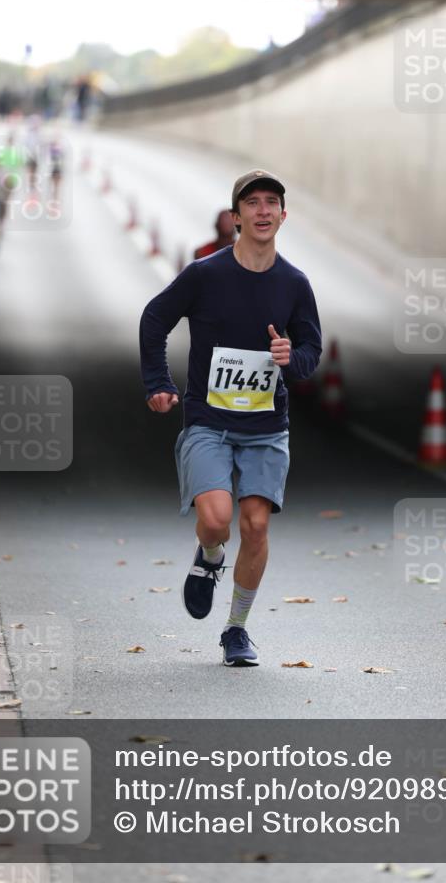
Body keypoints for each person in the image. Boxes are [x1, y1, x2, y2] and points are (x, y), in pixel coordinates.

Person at [140, 169, 322, 667]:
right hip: (209, 419)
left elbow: (311, 352)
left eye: (272, 203)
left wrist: (292, 357)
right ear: (235, 215)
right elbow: (155, 319)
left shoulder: (294, 284)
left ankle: (236, 630)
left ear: (283, 216)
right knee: (217, 520)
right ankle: (211, 557)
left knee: (256, 525)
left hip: (267, 426)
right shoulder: (206, 275)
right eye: (253, 202)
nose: (263, 210)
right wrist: (158, 382)